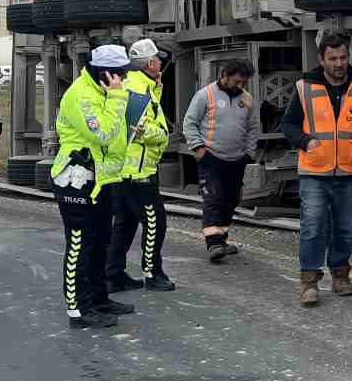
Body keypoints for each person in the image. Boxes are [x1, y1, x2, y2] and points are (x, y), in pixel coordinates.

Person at [281, 32, 352, 306]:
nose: (339, 63)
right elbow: (288, 125)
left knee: (346, 228)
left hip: (351, 171)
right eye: (333, 58)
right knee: (313, 226)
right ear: (322, 59)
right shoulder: (305, 88)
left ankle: (340, 275)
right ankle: (309, 281)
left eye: (343, 57)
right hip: (314, 170)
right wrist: (306, 141)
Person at [51, 44, 133, 329]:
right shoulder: (82, 95)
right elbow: (104, 134)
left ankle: (98, 298)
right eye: (121, 73)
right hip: (77, 180)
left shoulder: (102, 91)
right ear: (106, 73)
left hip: (102, 180)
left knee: (100, 243)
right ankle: (78, 308)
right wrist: (118, 97)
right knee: (80, 245)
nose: (125, 79)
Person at [106, 38, 176, 294]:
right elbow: (140, 130)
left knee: (125, 223)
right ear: (150, 63)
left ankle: (112, 274)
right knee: (155, 222)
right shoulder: (139, 90)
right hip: (139, 170)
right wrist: (162, 134)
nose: (161, 64)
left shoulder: (137, 85)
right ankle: (152, 273)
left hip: (125, 170)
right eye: (158, 59)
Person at [182, 58, 257, 265]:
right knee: (213, 199)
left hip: (237, 159)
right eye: (236, 81)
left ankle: (221, 239)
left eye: (243, 82)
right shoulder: (205, 95)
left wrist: (249, 153)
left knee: (230, 201)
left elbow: (253, 128)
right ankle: (213, 243)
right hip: (211, 158)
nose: (240, 86)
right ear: (224, 76)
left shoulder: (247, 99)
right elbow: (189, 123)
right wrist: (198, 149)